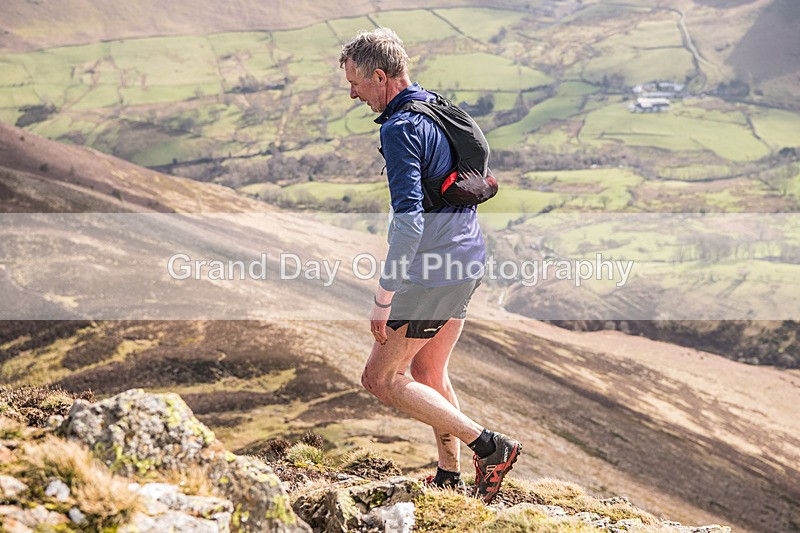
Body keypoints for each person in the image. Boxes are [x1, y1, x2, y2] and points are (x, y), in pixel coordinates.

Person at [339, 27, 521, 504]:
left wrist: (384, 297)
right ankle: (449, 476)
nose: (352, 92)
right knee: (428, 372)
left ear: (379, 76)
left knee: (379, 379)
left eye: (356, 82)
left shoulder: (400, 129)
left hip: (434, 269)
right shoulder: (436, 106)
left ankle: (490, 445)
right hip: (467, 257)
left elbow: (407, 223)